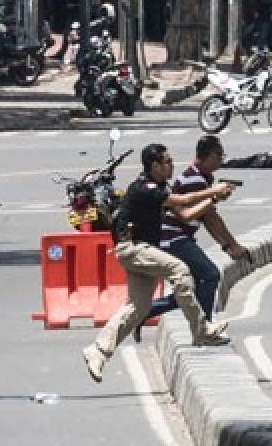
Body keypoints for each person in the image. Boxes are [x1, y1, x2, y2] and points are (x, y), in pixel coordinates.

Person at [83, 144, 234, 382]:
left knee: (138, 308)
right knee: (180, 270)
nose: (172, 166)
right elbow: (183, 200)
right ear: (154, 166)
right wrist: (213, 192)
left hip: (145, 251)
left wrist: (213, 196)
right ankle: (202, 329)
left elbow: (183, 210)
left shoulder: (160, 186)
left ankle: (98, 351)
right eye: (167, 162)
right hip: (132, 248)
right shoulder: (145, 188)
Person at [138, 136, 249, 341]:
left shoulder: (202, 178)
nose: (221, 160)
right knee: (211, 276)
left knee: (193, 289)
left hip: (179, 237)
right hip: (175, 239)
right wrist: (231, 245)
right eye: (218, 155)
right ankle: (204, 330)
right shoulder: (195, 180)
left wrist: (228, 245)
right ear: (206, 156)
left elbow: (208, 218)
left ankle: (145, 313)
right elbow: (199, 215)